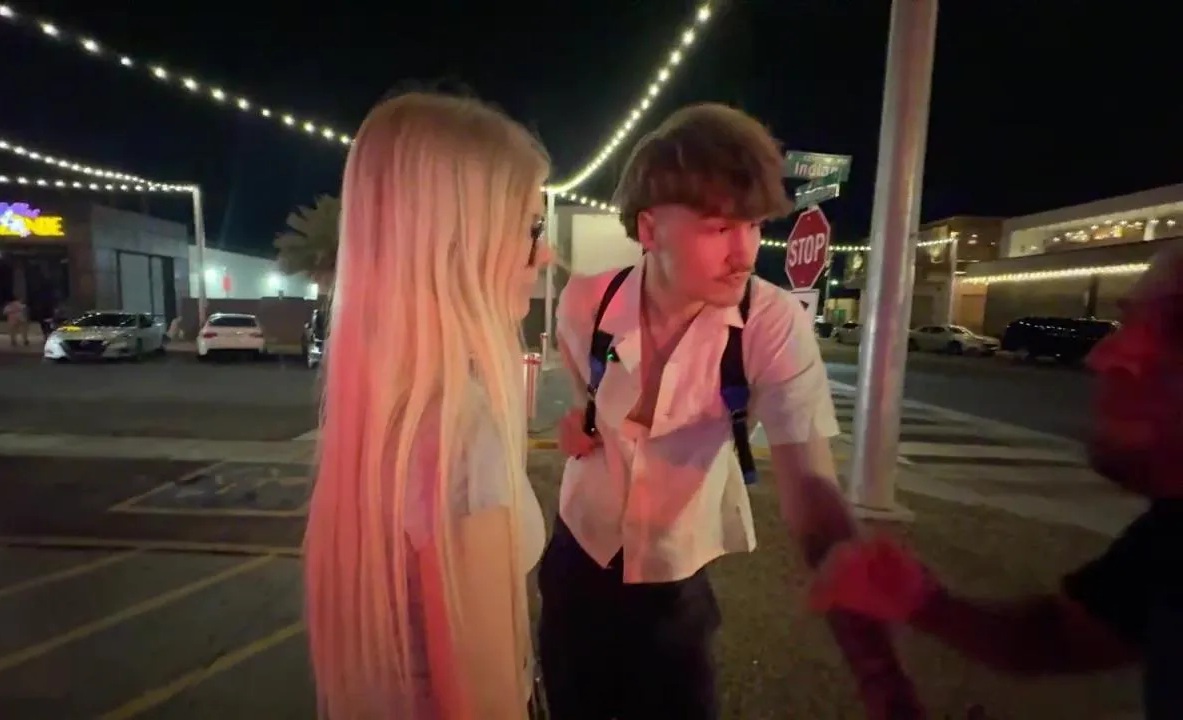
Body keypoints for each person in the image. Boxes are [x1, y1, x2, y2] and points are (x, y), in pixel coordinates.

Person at [540, 103, 920, 719]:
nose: (744, 253)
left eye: (753, 226)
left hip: (678, 565)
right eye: (719, 228)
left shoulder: (771, 323)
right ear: (649, 229)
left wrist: (879, 672)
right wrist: (582, 425)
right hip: (579, 546)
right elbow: (589, 394)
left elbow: (811, 490)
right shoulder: (587, 302)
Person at [809, 245, 1183, 718]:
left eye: (1173, 329)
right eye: (1128, 324)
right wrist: (925, 602)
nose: (1105, 355)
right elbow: (1065, 636)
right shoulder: (1169, 532)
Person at [302, 91, 550, 719]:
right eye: (531, 228)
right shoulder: (459, 433)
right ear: (461, 243)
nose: (544, 254)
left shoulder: (385, 409)